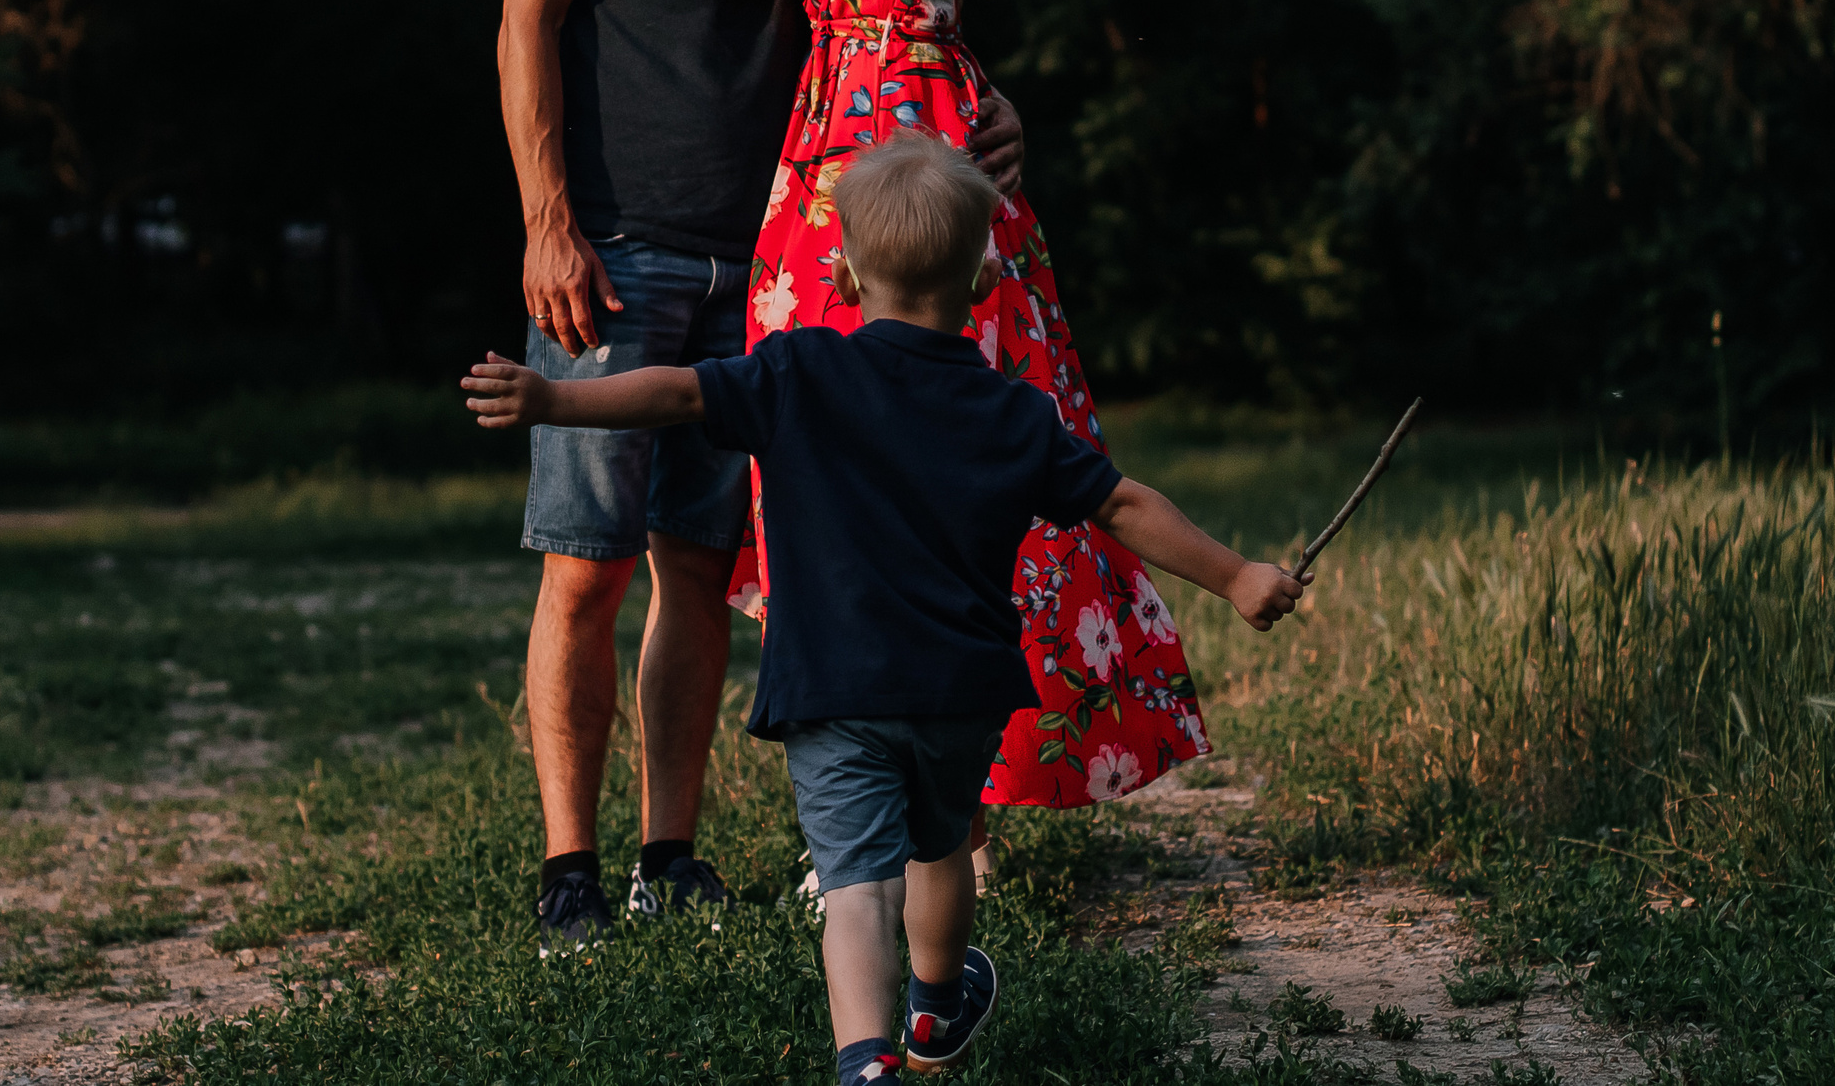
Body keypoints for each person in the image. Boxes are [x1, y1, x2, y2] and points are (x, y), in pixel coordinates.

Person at [463, 136, 1309, 1086]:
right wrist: (1237, 574)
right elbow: (1123, 503)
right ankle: (938, 1010)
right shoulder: (1013, 410)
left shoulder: (796, 372)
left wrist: (553, 398)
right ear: (986, 273)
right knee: (941, 848)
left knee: (858, 884)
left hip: (832, 690)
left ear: (844, 270)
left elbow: (674, 391)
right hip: (959, 693)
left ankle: (865, 1061)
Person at [612, 0, 1213, 810]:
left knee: (885, 458)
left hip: (873, 164)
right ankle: (910, 798)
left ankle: (928, 806)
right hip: (880, 129)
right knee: (904, 453)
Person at [499, 0, 1029, 953]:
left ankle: (670, 853)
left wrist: (977, 93)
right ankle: (569, 866)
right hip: (615, 246)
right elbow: (525, 19)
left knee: (703, 566)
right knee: (584, 563)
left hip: (777, 248)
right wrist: (550, 220)